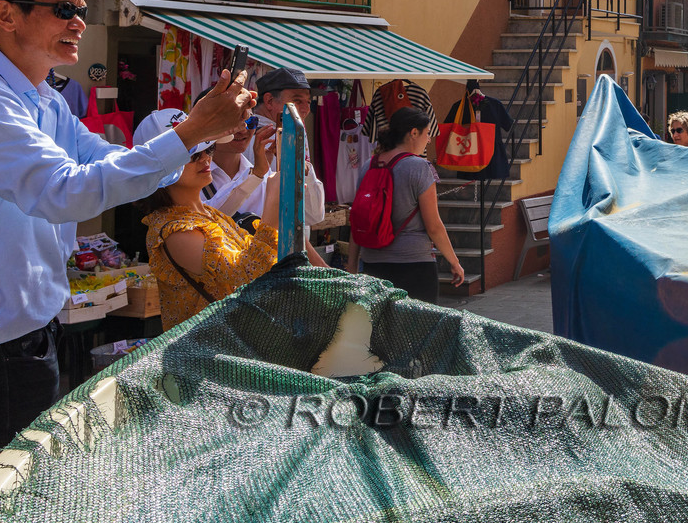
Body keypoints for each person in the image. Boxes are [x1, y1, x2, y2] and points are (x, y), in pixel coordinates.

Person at [0, 0, 252, 517]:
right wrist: (193, 131)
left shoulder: (44, 98)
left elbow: (112, 166)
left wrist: (201, 140)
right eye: (63, 9)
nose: (79, 21)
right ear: (7, 14)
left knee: (22, 505)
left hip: (26, 333)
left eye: (80, 9)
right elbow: (65, 191)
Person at [137, 109, 284, 330]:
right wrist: (273, 208)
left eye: (208, 148)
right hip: (205, 358)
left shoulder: (209, 213)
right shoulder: (174, 231)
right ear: (161, 167)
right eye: (192, 154)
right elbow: (248, 275)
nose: (205, 158)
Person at [347, 107, 466, 301]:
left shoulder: (369, 166)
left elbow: (357, 220)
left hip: (373, 264)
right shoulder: (420, 167)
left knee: (382, 328)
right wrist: (454, 262)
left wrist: (352, 264)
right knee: (419, 328)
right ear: (413, 133)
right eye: (427, 134)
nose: (428, 140)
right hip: (414, 265)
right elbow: (434, 226)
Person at [241, 68, 327, 266]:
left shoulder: (293, 132)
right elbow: (311, 213)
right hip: (270, 252)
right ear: (269, 101)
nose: (305, 108)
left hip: (280, 249)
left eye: (308, 101)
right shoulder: (262, 136)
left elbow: (312, 213)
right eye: (297, 101)